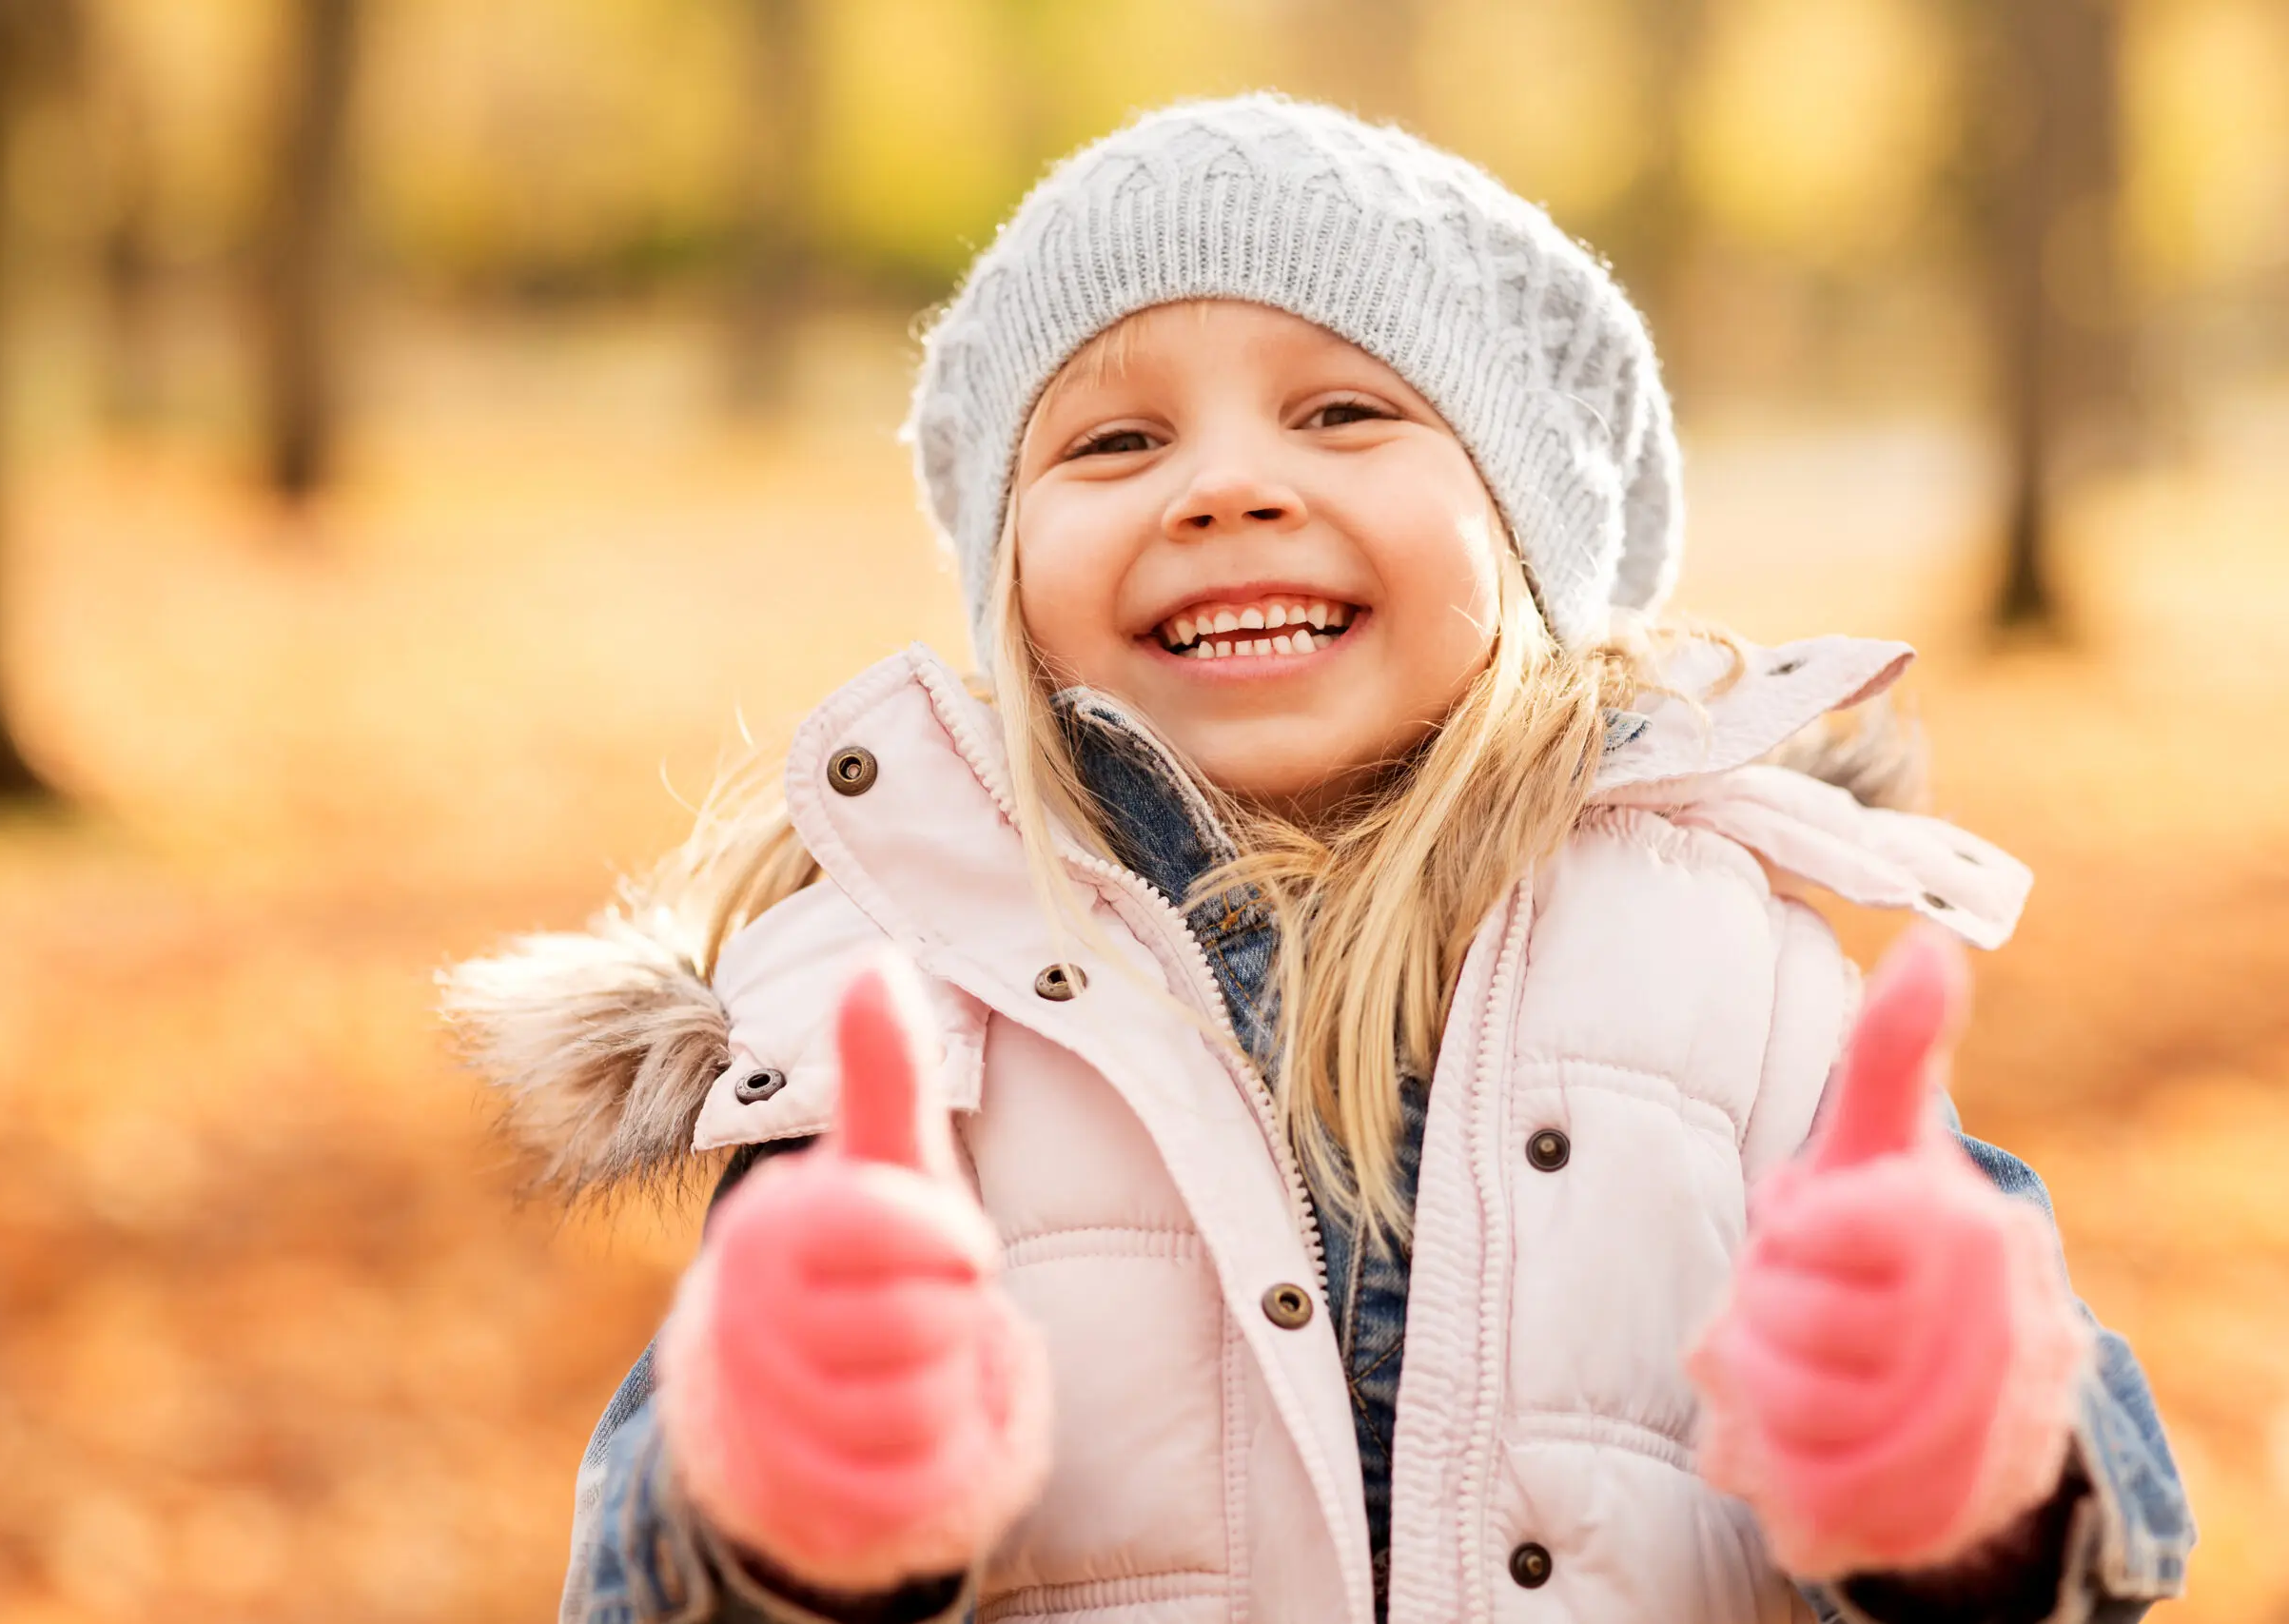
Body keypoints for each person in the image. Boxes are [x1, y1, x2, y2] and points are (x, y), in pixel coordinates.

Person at [443, 94, 2192, 1624]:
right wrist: (804, 1510)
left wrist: (1963, 1478)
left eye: (1345, 413)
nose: (1223, 486)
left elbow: (2058, 1526)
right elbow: (670, 1561)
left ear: (1523, 530)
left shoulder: (1736, 978)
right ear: (1010, 585)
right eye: (1117, 440)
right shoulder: (890, 1001)